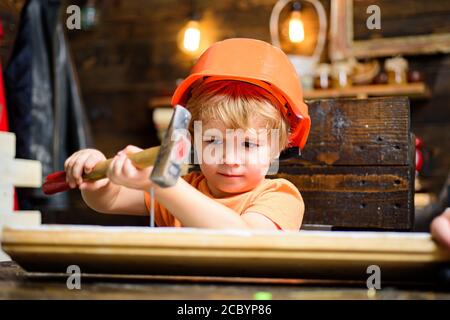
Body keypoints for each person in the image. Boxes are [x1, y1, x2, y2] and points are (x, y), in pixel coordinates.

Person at [64, 38, 311, 230]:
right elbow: (110, 199)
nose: (229, 158)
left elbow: (243, 240)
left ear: (276, 148)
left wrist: (164, 186)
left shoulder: (280, 196)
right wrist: (97, 178)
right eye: (213, 140)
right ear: (194, 140)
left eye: (247, 144)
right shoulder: (186, 187)